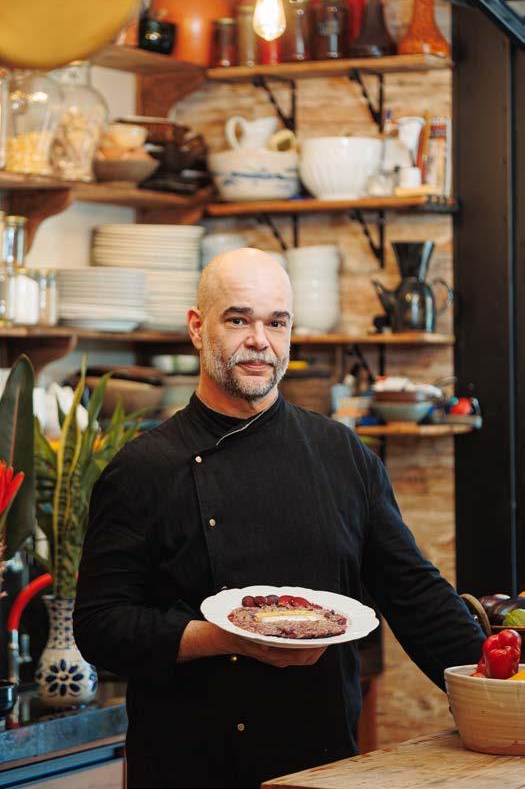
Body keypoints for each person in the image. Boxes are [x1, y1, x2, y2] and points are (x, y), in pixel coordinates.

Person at [74, 248, 484, 789]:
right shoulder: (143, 468)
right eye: (238, 320)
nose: (259, 341)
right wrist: (226, 639)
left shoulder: (342, 455)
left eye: (277, 322)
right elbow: (100, 626)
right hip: (191, 769)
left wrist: (499, 685)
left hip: (323, 767)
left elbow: (415, 595)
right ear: (197, 328)